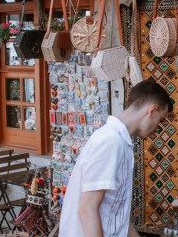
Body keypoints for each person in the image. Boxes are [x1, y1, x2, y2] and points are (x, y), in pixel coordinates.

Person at [59, 79, 172, 237]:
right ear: (151, 110)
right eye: (160, 121)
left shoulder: (119, 141)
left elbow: (116, 216)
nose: (157, 129)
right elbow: (87, 209)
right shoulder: (110, 141)